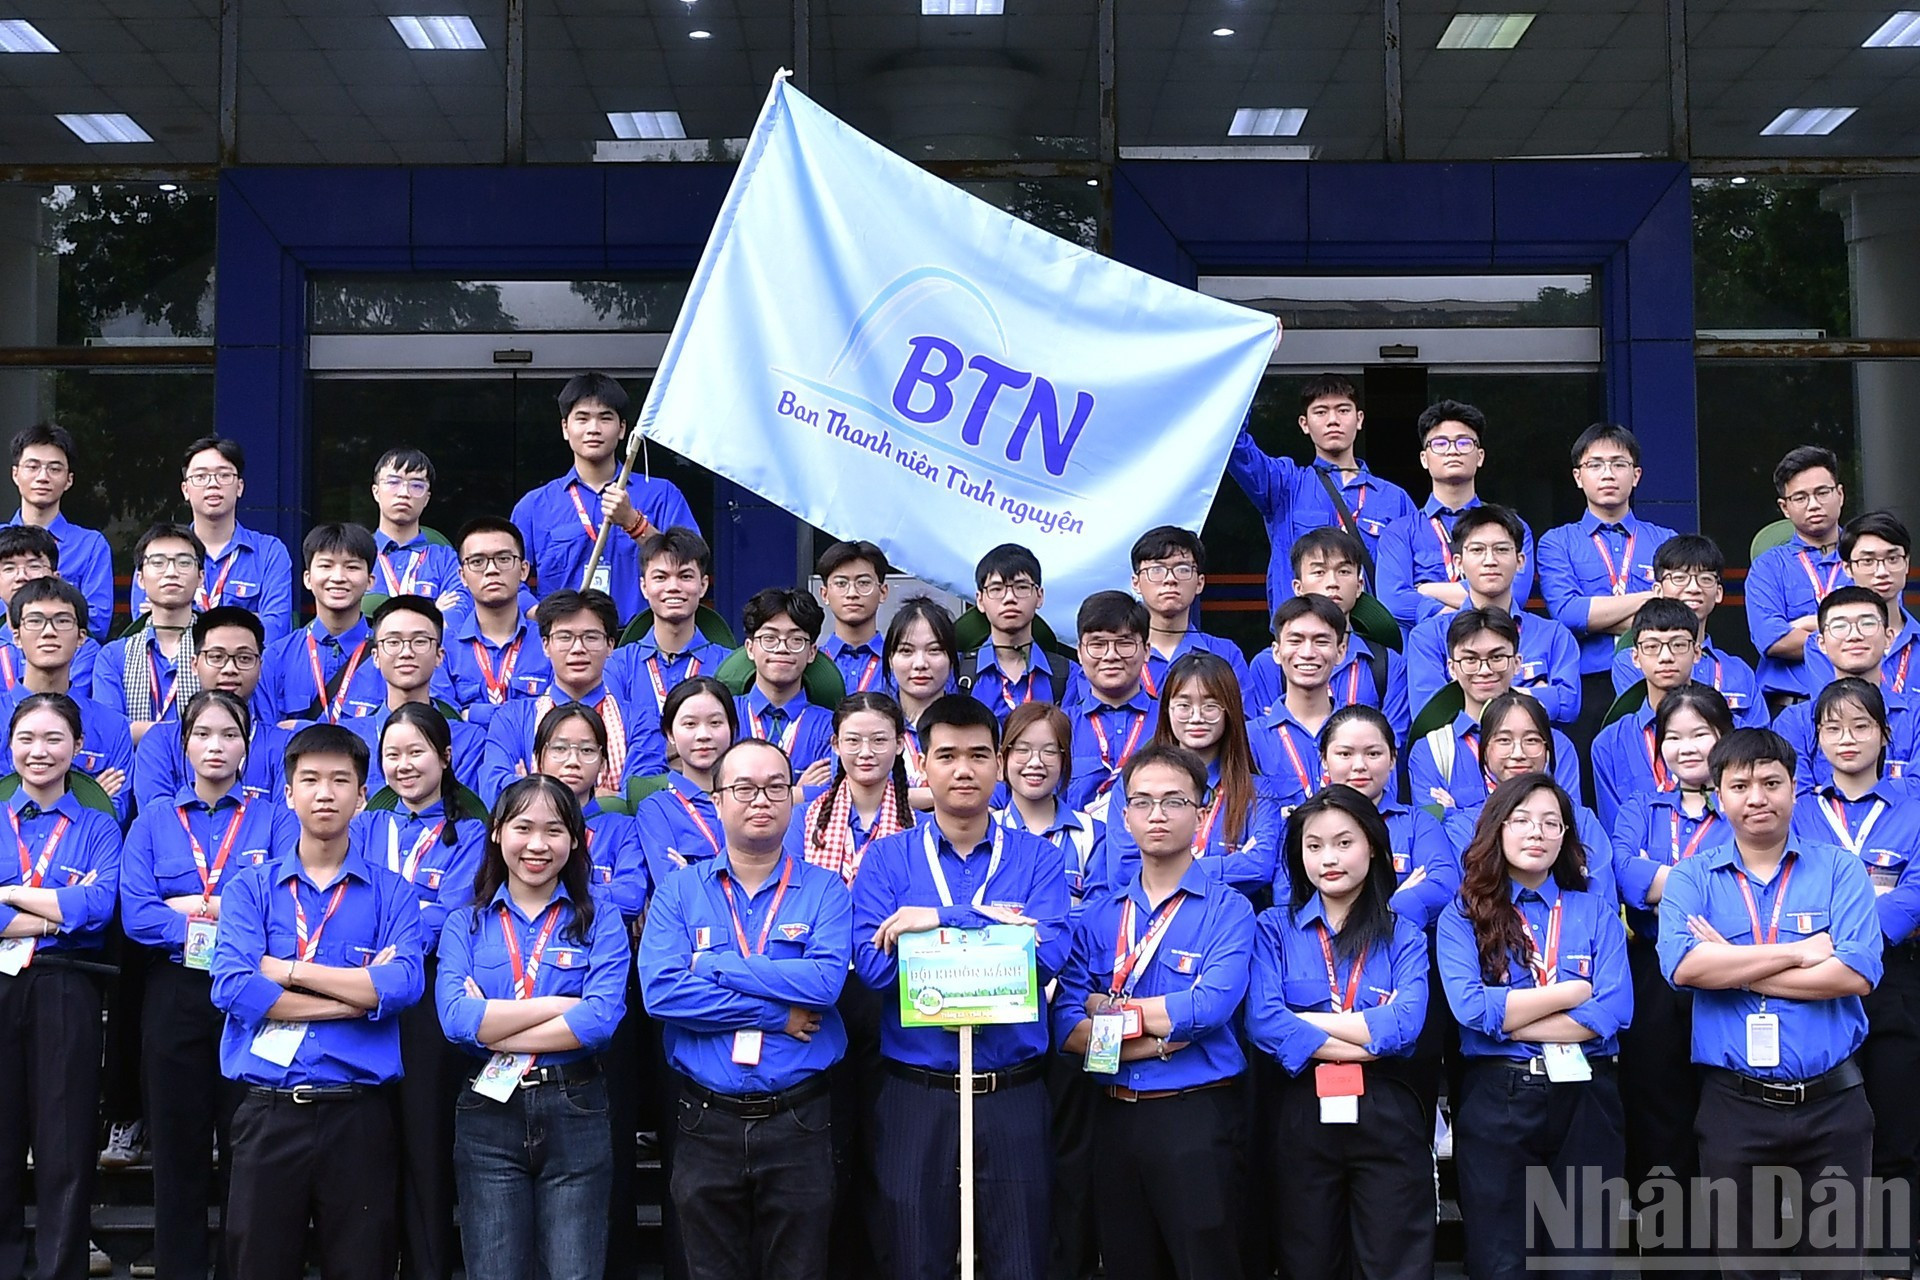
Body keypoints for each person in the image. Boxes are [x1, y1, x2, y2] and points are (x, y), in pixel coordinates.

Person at [853, 694, 1070, 1280]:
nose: (964, 769)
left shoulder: (1037, 860)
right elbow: (872, 970)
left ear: (999, 763)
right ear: (920, 765)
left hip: (1012, 1091)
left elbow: (1049, 954)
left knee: (1020, 1259)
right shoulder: (887, 860)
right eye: (946, 755)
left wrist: (939, 921)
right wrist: (998, 927)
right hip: (917, 1093)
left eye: (978, 754)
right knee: (912, 1256)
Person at [1659, 728, 1886, 1276]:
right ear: (1718, 794)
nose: (1756, 797)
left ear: (1793, 789)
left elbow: (1855, 974)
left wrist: (1734, 965)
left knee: (1837, 1271)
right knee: (1744, 1269)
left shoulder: (1839, 870)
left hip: (1834, 1105)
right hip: (1734, 1107)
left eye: (1770, 782)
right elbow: (1685, 967)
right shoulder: (1691, 876)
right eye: (1740, 785)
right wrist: (1801, 953)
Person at [207, 723, 427, 1280]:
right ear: (288, 793)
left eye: (339, 780)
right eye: (309, 780)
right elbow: (233, 986)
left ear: (361, 794)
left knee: (363, 1267)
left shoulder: (393, 891)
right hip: (267, 1111)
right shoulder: (249, 889)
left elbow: (402, 985)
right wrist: (354, 997)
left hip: (359, 1115)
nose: (324, 793)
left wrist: (289, 973)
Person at [640, 737, 854, 1280]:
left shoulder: (827, 890)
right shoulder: (679, 892)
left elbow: (825, 983)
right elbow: (662, 992)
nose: (761, 799)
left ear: (791, 799)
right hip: (704, 1118)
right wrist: (776, 1015)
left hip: (799, 1118)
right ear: (717, 800)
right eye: (744, 788)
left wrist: (715, 965)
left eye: (775, 787)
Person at [1054, 744, 1256, 1280]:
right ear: (1124, 817)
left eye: (1173, 801)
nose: (1157, 815)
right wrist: (1160, 1036)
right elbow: (1065, 1023)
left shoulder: (1229, 909)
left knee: (1206, 1265)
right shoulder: (1099, 915)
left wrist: (1110, 1009)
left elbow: (1209, 1006)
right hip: (1115, 1116)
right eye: (1142, 802)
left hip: (1194, 1117)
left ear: (1201, 811)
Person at [119, 688, 297, 1280]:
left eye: (229, 735)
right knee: (177, 1149)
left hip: (249, 994)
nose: (215, 746)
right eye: (202, 735)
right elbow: (139, 916)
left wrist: (194, 906)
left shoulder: (275, 817)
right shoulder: (153, 820)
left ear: (247, 746)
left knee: (249, 1149)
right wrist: (224, 909)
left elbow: (281, 911)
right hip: (176, 992)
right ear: (184, 744)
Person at [433, 774, 627, 1280]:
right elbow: (456, 1020)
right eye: (524, 828)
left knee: (574, 1271)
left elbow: (601, 1020)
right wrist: (560, 1006)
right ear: (497, 832)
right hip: (487, 1111)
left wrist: (493, 1024)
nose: (538, 845)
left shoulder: (601, 918)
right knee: (493, 1270)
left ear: (576, 840)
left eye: (555, 830)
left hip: (575, 1103)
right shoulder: (466, 922)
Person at [1438, 773, 1631, 1280]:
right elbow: (1470, 1010)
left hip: (1588, 1096)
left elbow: (1614, 1012)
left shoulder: (1594, 910)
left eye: (1551, 822)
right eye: (1521, 820)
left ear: (1565, 836)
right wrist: (1570, 994)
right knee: (1500, 1263)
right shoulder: (1463, 915)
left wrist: (1512, 1019)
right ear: (1497, 829)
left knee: (1584, 1264)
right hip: (1500, 1095)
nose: (1537, 832)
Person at [1245, 785, 1433, 1280]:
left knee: (1395, 1265)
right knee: (1307, 1262)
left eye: (1344, 843)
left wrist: (1304, 1022)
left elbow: (1407, 1024)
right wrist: (1366, 1037)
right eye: (1314, 845)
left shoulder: (1404, 933)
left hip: (1386, 1108)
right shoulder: (1272, 930)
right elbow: (1263, 1020)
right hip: (1300, 1108)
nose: (1329, 858)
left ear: (1373, 846)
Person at [1791, 677, 1920, 1264]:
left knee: (1895, 1124)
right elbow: (1786, 898)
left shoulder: (1913, 811)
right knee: (1821, 1130)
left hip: (1891, 982)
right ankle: (1820, 1257)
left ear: (1884, 736)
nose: (1847, 739)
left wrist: (1837, 924)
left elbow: (1912, 897)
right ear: (1816, 738)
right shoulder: (1795, 813)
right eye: (1833, 727)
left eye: (1861, 726)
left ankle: (1891, 1258)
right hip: (1814, 988)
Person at [1607, 682, 1734, 1275]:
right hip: (1654, 977)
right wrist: (1704, 884)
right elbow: (1628, 878)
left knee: (1727, 1112)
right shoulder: (1639, 809)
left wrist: (1670, 882)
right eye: (1673, 736)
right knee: (1658, 1114)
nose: (1687, 747)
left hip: (1730, 974)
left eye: (1701, 734)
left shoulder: (1743, 805)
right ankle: (1666, 1255)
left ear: (1723, 737)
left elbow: (1751, 883)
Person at [0, 693, 124, 1280]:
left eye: (54, 739)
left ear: (76, 749)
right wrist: (56, 910)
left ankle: (60, 1269)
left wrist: (7, 896)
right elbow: (77, 903)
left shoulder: (99, 826)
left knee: (65, 1141)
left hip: (67, 985)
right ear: (9, 747)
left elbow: (99, 909)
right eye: (26, 738)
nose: (39, 751)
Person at [369, 703, 488, 1280]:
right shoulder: (365, 823)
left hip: (427, 1002)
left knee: (425, 1145)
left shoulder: (470, 833)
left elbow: (453, 916)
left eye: (416, 752)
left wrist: (382, 927)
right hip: (361, 1000)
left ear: (444, 756)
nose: (404, 765)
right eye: (392, 754)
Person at [1535, 422, 1681, 751]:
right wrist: (1649, 599)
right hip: (1587, 682)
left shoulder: (1665, 539)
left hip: (1655, 678)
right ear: (1577, 477)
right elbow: (1569, 614)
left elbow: (1677, 613)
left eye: (1619, 464)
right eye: (1595, 465)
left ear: (1637, 475)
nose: (1608, 474)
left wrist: (1598, 616)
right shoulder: (1557, 542)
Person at [511, 371, 698, 620]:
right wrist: (537, 612)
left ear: (622, 429)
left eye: (605, 418)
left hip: (641, 640)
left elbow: (691, 565)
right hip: (566, 642)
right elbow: (506, 577)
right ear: (565, 428)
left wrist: (635, 523)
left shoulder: (661, 494)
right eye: (582, 418)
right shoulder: (534, 506)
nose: (594, 429)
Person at [1225, 374, 1415, 612]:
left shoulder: (1394, 499)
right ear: (1304, 424)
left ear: (1359, 419)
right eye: (1321, 412)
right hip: (1302, 637)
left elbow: (1413, 578)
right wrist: (1255, 360)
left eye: (1343, 410)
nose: (1333, 420)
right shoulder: (1285, 484)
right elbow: (1234, 442)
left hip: (1371, 641)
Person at [1106, 652, 1277, 896]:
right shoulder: (1133, 785)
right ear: (1167, 711)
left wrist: (1167, 870)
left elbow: (1260, 866)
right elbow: (1124, 872)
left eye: (1210, 706)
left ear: (1230, 711)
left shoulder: (1256, 791)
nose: (1196, 718)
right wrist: (1226, 865)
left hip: (1226, 925)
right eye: (1184, 706)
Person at [478, 588, 666, 805]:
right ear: (545, 645)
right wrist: (601, 797)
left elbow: (641, 797)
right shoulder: (512, 718)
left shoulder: (640, 721)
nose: (578, 648)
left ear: (610, 646)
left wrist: (531, 787)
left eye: (591, 637)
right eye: (565, 637)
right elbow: (494, 790)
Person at [1405, 504, 1580, 723]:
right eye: (1477, 550)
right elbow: (1430, 713)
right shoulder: (1428, 636)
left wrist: (1471, 694)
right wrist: (1532, 695)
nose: (1490, 560)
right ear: (1459, 563)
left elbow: (1569, 705)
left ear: (1520, 562)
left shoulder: (1553, 635)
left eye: (1501, 549)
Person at [1437, 692, 1616, 903]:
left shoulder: (1581, 821)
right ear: (1485, 751)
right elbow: (1466, 903)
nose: (1518, 753)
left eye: (1531, 740)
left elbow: (1603, 903)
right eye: (1504, 740)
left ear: (1547, 749)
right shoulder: (1463, 827)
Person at [1377, 398, 1538, 630]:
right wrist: (1466, 612)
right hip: (1423, 656)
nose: (1452, 450)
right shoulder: (1400, 532)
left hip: (1497, 656)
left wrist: (1425, 589)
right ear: (1424, 459)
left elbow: (1516, 594)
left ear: (1480, 456)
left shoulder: (1511, 526)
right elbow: (1393, 601)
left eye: (1464, 443)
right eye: (1440, 444)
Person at [1408, 609, 1584, 814]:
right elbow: (1434, 836)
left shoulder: (1553, 745)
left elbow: (1570, 826)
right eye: (1470, 660)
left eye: (1497, 657)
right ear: (1452, 669)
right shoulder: (1431, 752)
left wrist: (1457, 813)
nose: (1484, 670)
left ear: (1517, 663)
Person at [1243, 528, 1409, 739]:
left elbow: (1392, 748)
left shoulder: (1388, 665)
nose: (1332, 582)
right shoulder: (1270, 664)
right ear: (1298, 587)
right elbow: (1266, 743)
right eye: (1319, 572)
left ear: (1359, 587)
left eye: (1343, 571)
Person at [2, 576, 135, 820]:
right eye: (35, 621)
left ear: (81, 637)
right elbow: (100, 804)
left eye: (62, 621)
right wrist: (88, 794)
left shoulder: (113, 727)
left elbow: (114, 814)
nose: (49, 632)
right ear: (16, 636)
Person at [1318, 705, 1456, 929]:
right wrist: (1397, 901)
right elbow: (1292, 899)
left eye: (1373, 754)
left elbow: (1443, 885)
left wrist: (1390, 908)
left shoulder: (1418, 824)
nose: (1359, 766)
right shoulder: (1306, 824)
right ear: (1324, 759)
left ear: (1392, 759)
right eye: (1345, 754)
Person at [135, 607, 288, 808]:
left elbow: (287, 826)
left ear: (260, 667)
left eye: (244, 658)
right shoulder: (159, 743)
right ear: (194, 664)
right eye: (216, 657)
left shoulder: (283, 746)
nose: (230, 669)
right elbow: (157, 822)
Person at [1773, 585, 1920, 793]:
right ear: (1821, 643)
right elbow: (1796, 799)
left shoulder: (1916, 714)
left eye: (1867, 623)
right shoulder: (1795, 722)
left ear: (1889, 637)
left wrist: (1831, 792)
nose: (1854, 635)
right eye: (1840, 626)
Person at [1608, 534, 1767, 726]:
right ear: (1657, 591)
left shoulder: (1740, 671)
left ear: (1718, 593)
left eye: (1705, 578)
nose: (1694, 587)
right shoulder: (1631, 662)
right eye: (1679, 577)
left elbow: (1757, 741)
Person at [153, 436, 295, 640]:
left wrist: (182, 620)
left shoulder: (269, 552)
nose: (213, 484)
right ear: (185, 490)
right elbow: (150, 628)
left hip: (248, 669)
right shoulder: (159, 551)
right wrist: (248, 620)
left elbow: (274, 630)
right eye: (201, 476)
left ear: (239, 487)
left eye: (224, 475)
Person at [344, 596, 485, 795]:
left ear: (439, 656)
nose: (406, 652)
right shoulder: (347, 737)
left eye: (420, 641)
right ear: (376, 656)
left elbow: (463, 810)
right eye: (393, 642)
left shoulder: (468, 740)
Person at [1590, 597, 1713, 825]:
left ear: (1697, 653)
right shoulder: (1610, 743)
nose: (1666, 657)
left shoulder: (1722, 730)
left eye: (1678, 644)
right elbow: (1613, 829)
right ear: (1635, 657)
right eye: (1652, 646)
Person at [1746, 445, 1850, 706]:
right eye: (1800, 497)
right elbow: (1773, 640)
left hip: (1862, 704)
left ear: (1840, 494)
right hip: (1791, 708)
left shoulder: (1866, 558)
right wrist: (1849, 639)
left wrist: (1804, 624)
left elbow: (1885, 633)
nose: (1813, 504)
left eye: (1822, 492)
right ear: (1785, 507)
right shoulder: (1767, 567)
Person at [257, 523, 386, 725]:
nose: (338, 578)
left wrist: (304, 729)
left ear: (370, 581)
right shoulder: (276, 657)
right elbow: (265, 736)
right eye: (326, 565)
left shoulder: (388, 656)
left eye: (351, 567)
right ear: (307, 579)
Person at [94, 522, 206, 744]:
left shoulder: (217, 651)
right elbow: (109, 731)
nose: (171, 572)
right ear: (140, 579)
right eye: (158, 563)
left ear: (201, 577)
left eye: (184, 562)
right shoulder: (114, 656)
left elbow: (233, 723)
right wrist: (191, 732)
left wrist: (139, 730)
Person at [436, 517, 553, 727]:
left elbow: (557, 716)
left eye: (504, 559)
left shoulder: (552, 642)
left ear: (524, 570)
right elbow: (443, 722)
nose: (491, 570)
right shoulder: (442, 647)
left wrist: (472, 713)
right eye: (477, 562)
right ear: (462, 576)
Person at [788, 692, 914, 883]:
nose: (866, 753)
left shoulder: (918, 825)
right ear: (836, 745)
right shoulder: (802, 820)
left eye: (878, 740)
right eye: (853, 741)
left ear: (898, 744)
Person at [994, 702, 1108, 912]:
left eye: (1049, 752)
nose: (1036, 762)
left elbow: (1096, 912)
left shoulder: (1092, 834)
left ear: (1064, 762)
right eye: (1022, 750)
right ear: (1002, 761)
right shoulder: (987, 830)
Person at [603, 527, 730, 713]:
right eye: (661, 577)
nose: (673, 587)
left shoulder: (727, 665)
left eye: (685, 576)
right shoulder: (616, 666)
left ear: (703, 586)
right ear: (644, 587)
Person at [5, 424, 111, 639]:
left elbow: (96, 624)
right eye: (32, 467)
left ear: (69, 480)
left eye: (54, 468)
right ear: (15, 474)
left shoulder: (90, 545)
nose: (43, 477)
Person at [633, 676, 738, 888]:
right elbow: (673, 886)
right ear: (670, 734)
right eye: (690, 724)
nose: (703, 735)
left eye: (715, 723)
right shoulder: (656, 809)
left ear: (732, 728)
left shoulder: (750, 797)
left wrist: (691, 872)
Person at [1802, 510, 1920, 697]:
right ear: (1847, 568)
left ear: (1906, 563)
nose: (1882, 571)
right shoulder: (1824, 644)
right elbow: (1829, 715)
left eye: (1892, 559)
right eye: (1868, 560)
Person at [1125, 525, 1251, 698]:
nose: (1170, 579)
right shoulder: (1117, 655)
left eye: (1182, 569)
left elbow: (1242, 722)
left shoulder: (1226, 654)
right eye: (1157, 570)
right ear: (1136, 583)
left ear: (1200, 583)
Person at [1248, 594, 1346, 810]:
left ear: (1340, 652)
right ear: (1276, 651)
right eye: (1295, 640)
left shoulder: (1360, 733)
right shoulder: (1250, 738)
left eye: (1321, 641)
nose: (1308, 653)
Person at [1063, 591, 1158, 810]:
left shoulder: (1172, 722)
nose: (1111, 655)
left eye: (1124, 643)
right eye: (1097, 644)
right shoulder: (1060, 727)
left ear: (1146, 651)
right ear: (1079, 652)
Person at [963, 543, 1076, 716]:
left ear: (1039, 596)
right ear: (980, 600)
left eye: (1021, 587)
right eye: (996, 589)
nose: (1009, 598)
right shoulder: (959, 673)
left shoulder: (1068, 675)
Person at [735, 587, 836, 780]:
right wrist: (797, 794)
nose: (782, 648)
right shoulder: (724, 715)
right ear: (750, 648)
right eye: (770, 638)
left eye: (796, 640)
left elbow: (828, 796)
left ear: (812, 652)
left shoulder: (831, 727)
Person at [0, 525, 99, 692]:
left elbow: (73, 706)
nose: (22, 576)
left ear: (56, 577)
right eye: (9, 568)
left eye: (34, 566)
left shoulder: (82, 646)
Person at [368, 448, 464, 611]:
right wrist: (432, 611)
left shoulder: (446, 559)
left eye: (417, 485)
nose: (404, 493)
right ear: (376, 492)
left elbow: (455, 618)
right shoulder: (356, 555)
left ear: (427, 498)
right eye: (393, 482)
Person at [886, 595, 957, 801]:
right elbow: (857, 797)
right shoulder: (871, 724)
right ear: (891, 659)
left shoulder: (972, 723)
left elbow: (994, 792)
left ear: (951, 659)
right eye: (906, 651)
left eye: (934, 650)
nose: (920, 664)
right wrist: (942, 796)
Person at [817, 539, 893, 696]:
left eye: (863, 583)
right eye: (841, 583)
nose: (852, 593)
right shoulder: (811, 664)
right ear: (824, 594)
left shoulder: (899, 662)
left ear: (883, 592)